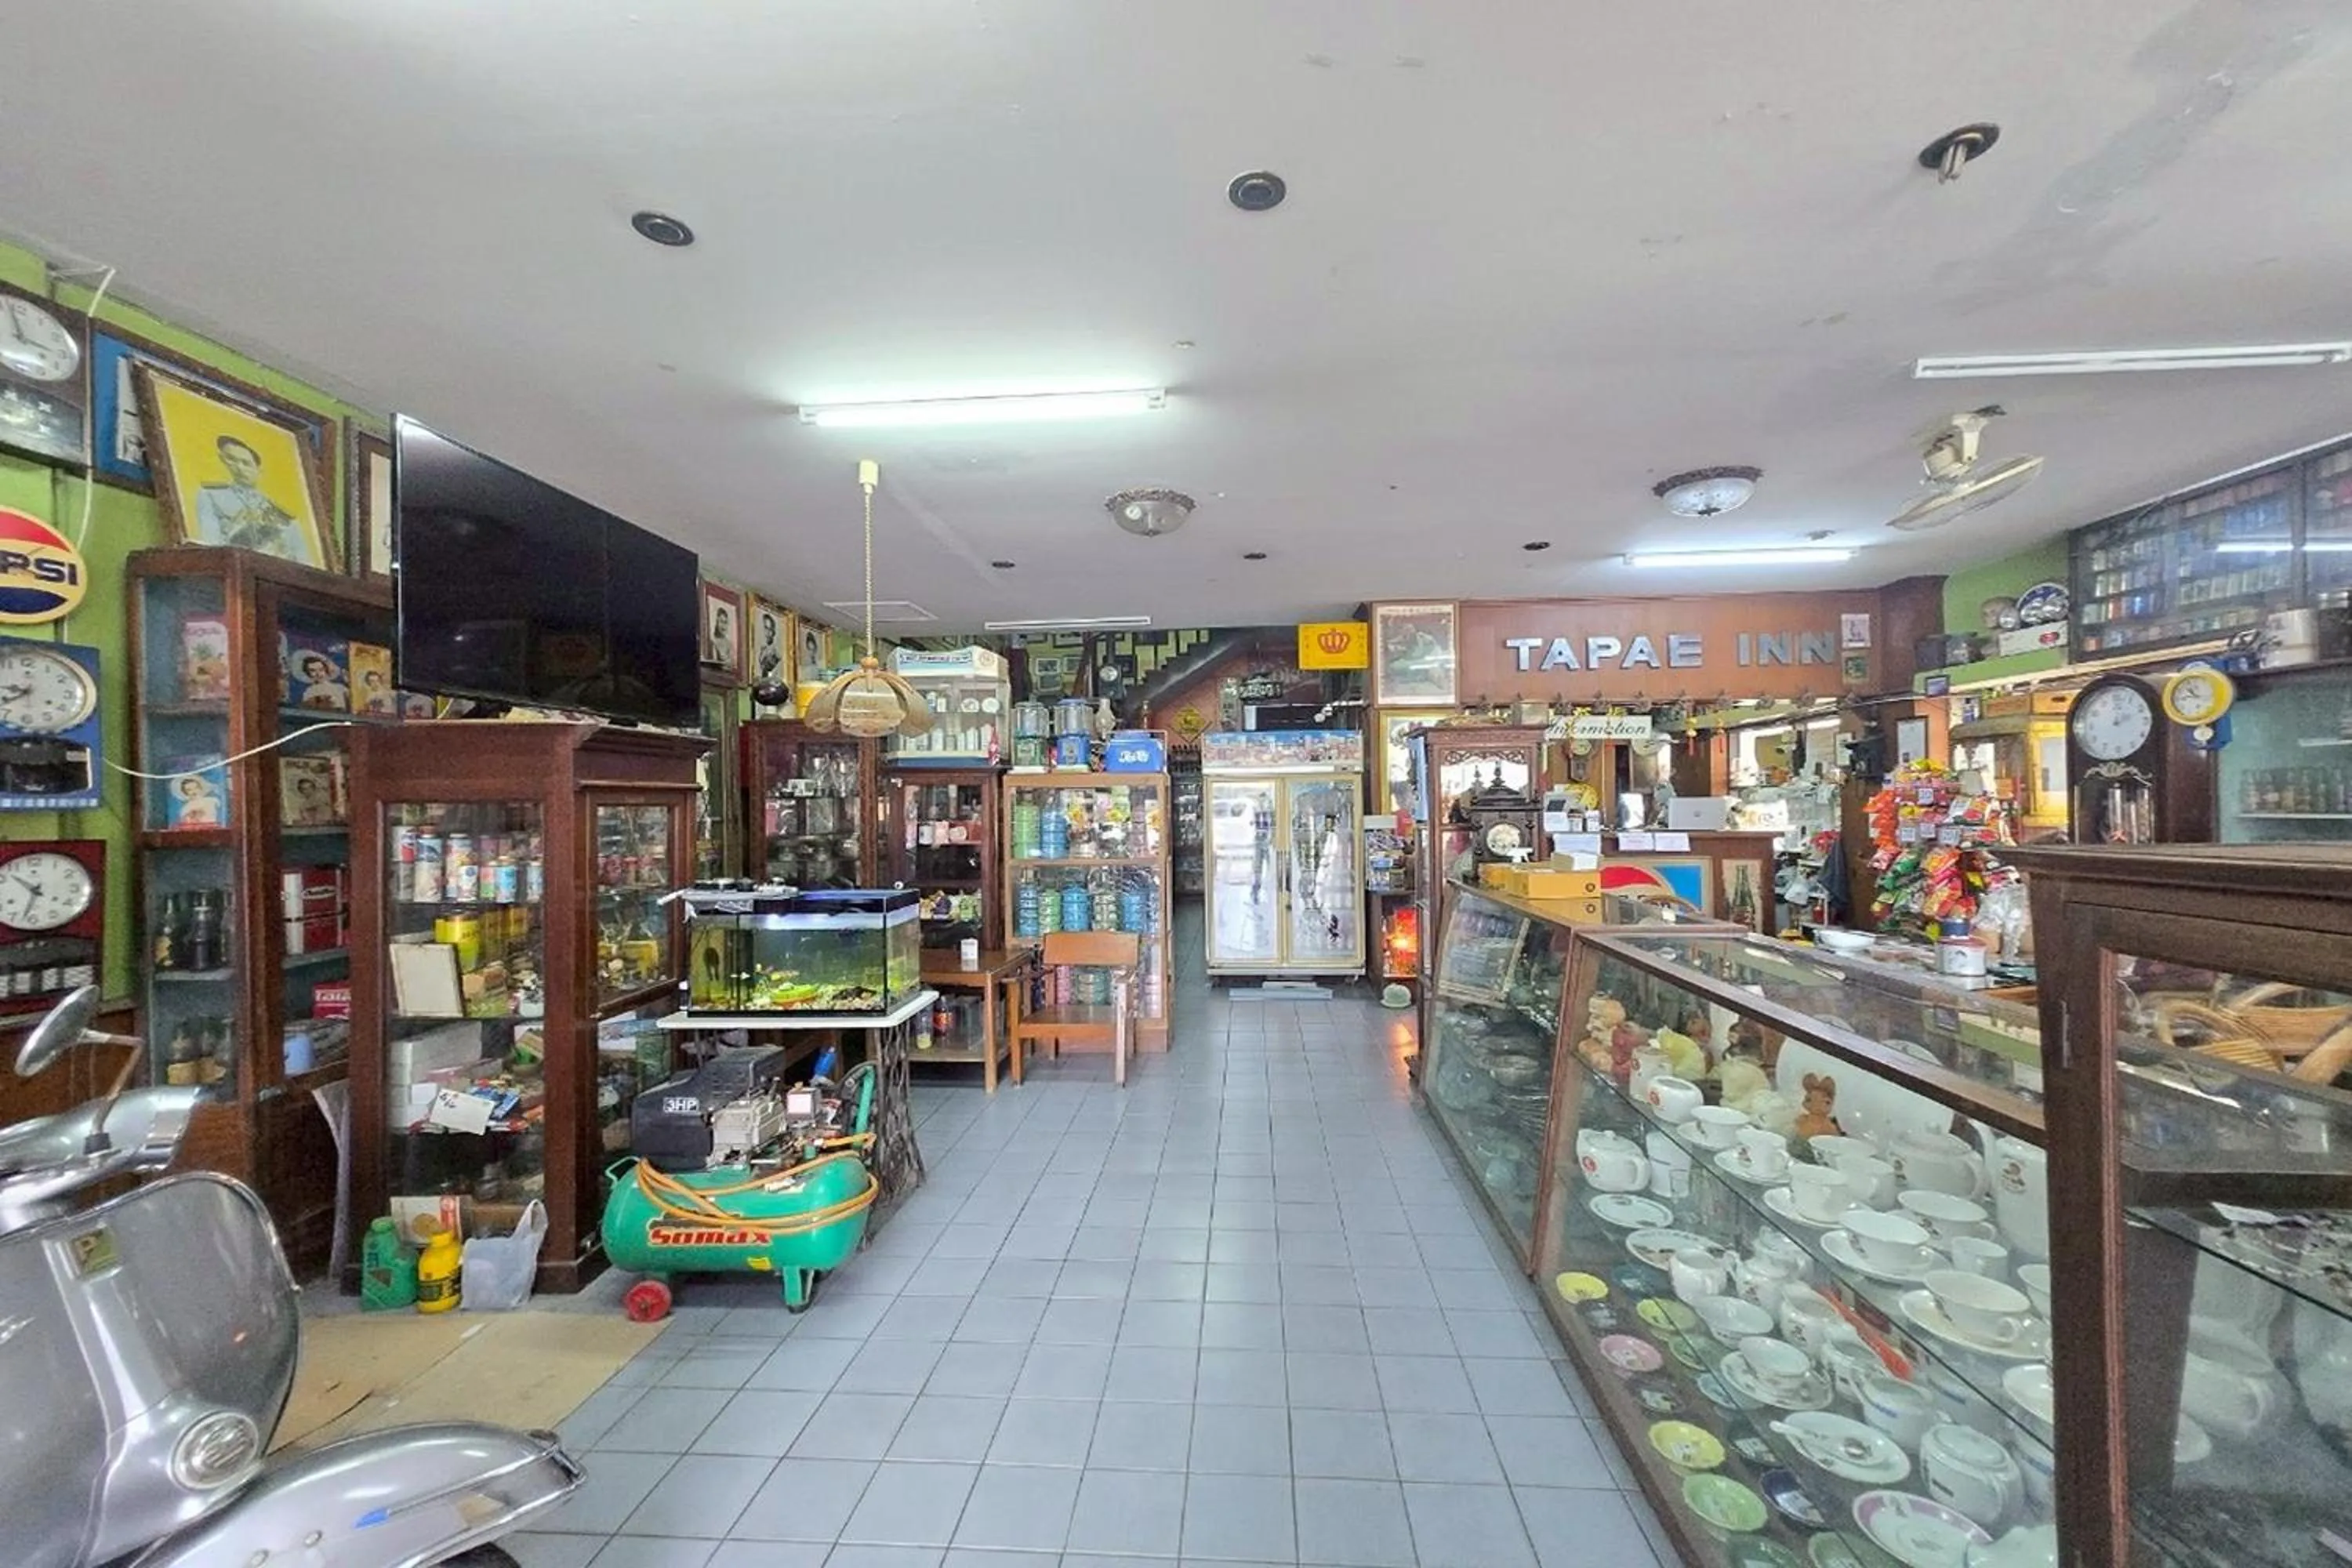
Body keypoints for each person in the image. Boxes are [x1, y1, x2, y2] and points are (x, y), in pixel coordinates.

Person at [194, 436, 303, 557]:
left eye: (246, 464)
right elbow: (210, 544)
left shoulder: (281, 514)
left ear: (259, 471)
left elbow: (301, 558)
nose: (239, 468)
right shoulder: (211, 495)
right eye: (232, 460)